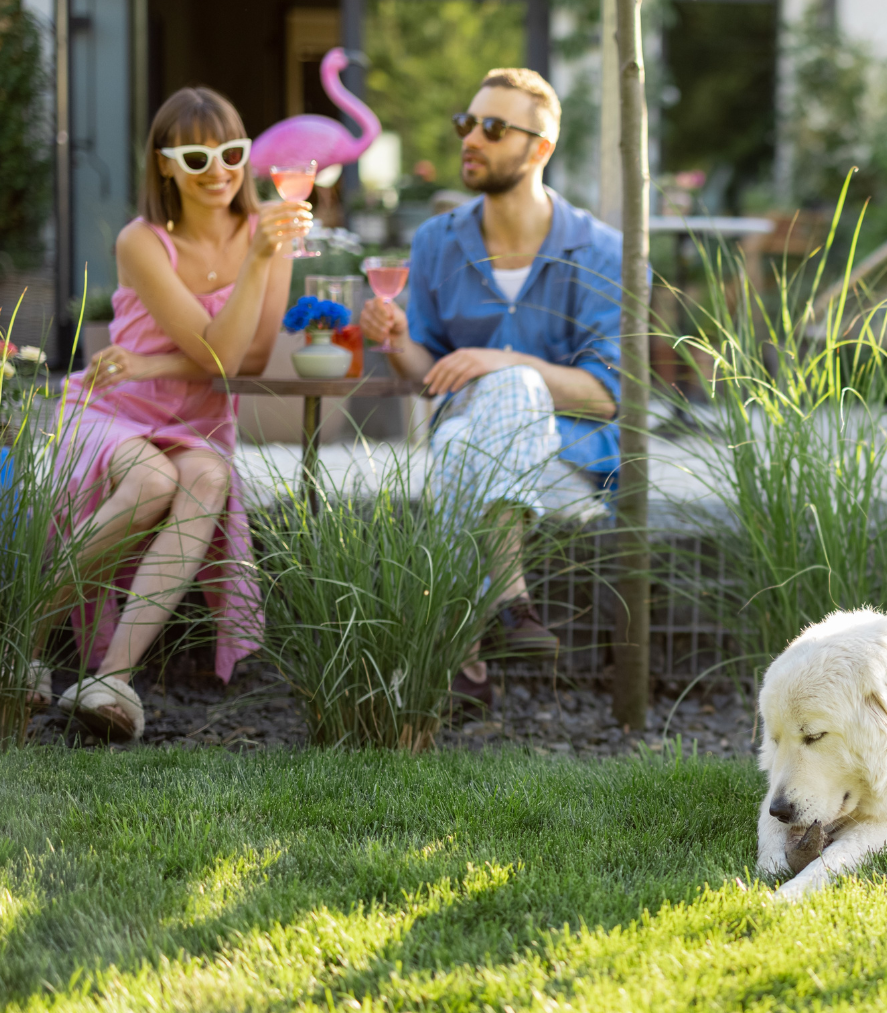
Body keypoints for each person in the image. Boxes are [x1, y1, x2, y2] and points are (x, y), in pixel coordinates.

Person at [49, 87, 310, 738]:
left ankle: (111, 679)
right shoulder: (143, 241)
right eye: (196, 158)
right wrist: (258, 259)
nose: (218, 171)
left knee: (209, 479)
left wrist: (155, 362)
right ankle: (19, 638)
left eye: (230, 153)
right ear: (165, 165)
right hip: (115, 407)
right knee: (151, 481)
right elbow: (221, 348)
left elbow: (244, 365)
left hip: (196, 417)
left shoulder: (265, 234)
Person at [360, 67, 624, 708]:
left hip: (566, 459)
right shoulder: (435, 243)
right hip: (470, 435)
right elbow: (428, 375)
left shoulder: (600, 251)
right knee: (463, 441)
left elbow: (606, 396)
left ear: (540, 149)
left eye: (494, 127)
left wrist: (497, 361)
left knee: (497, 403)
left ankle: (461, 656)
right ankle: (511, 601)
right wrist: (396, 341)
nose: (471, 138)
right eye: (467, 123)